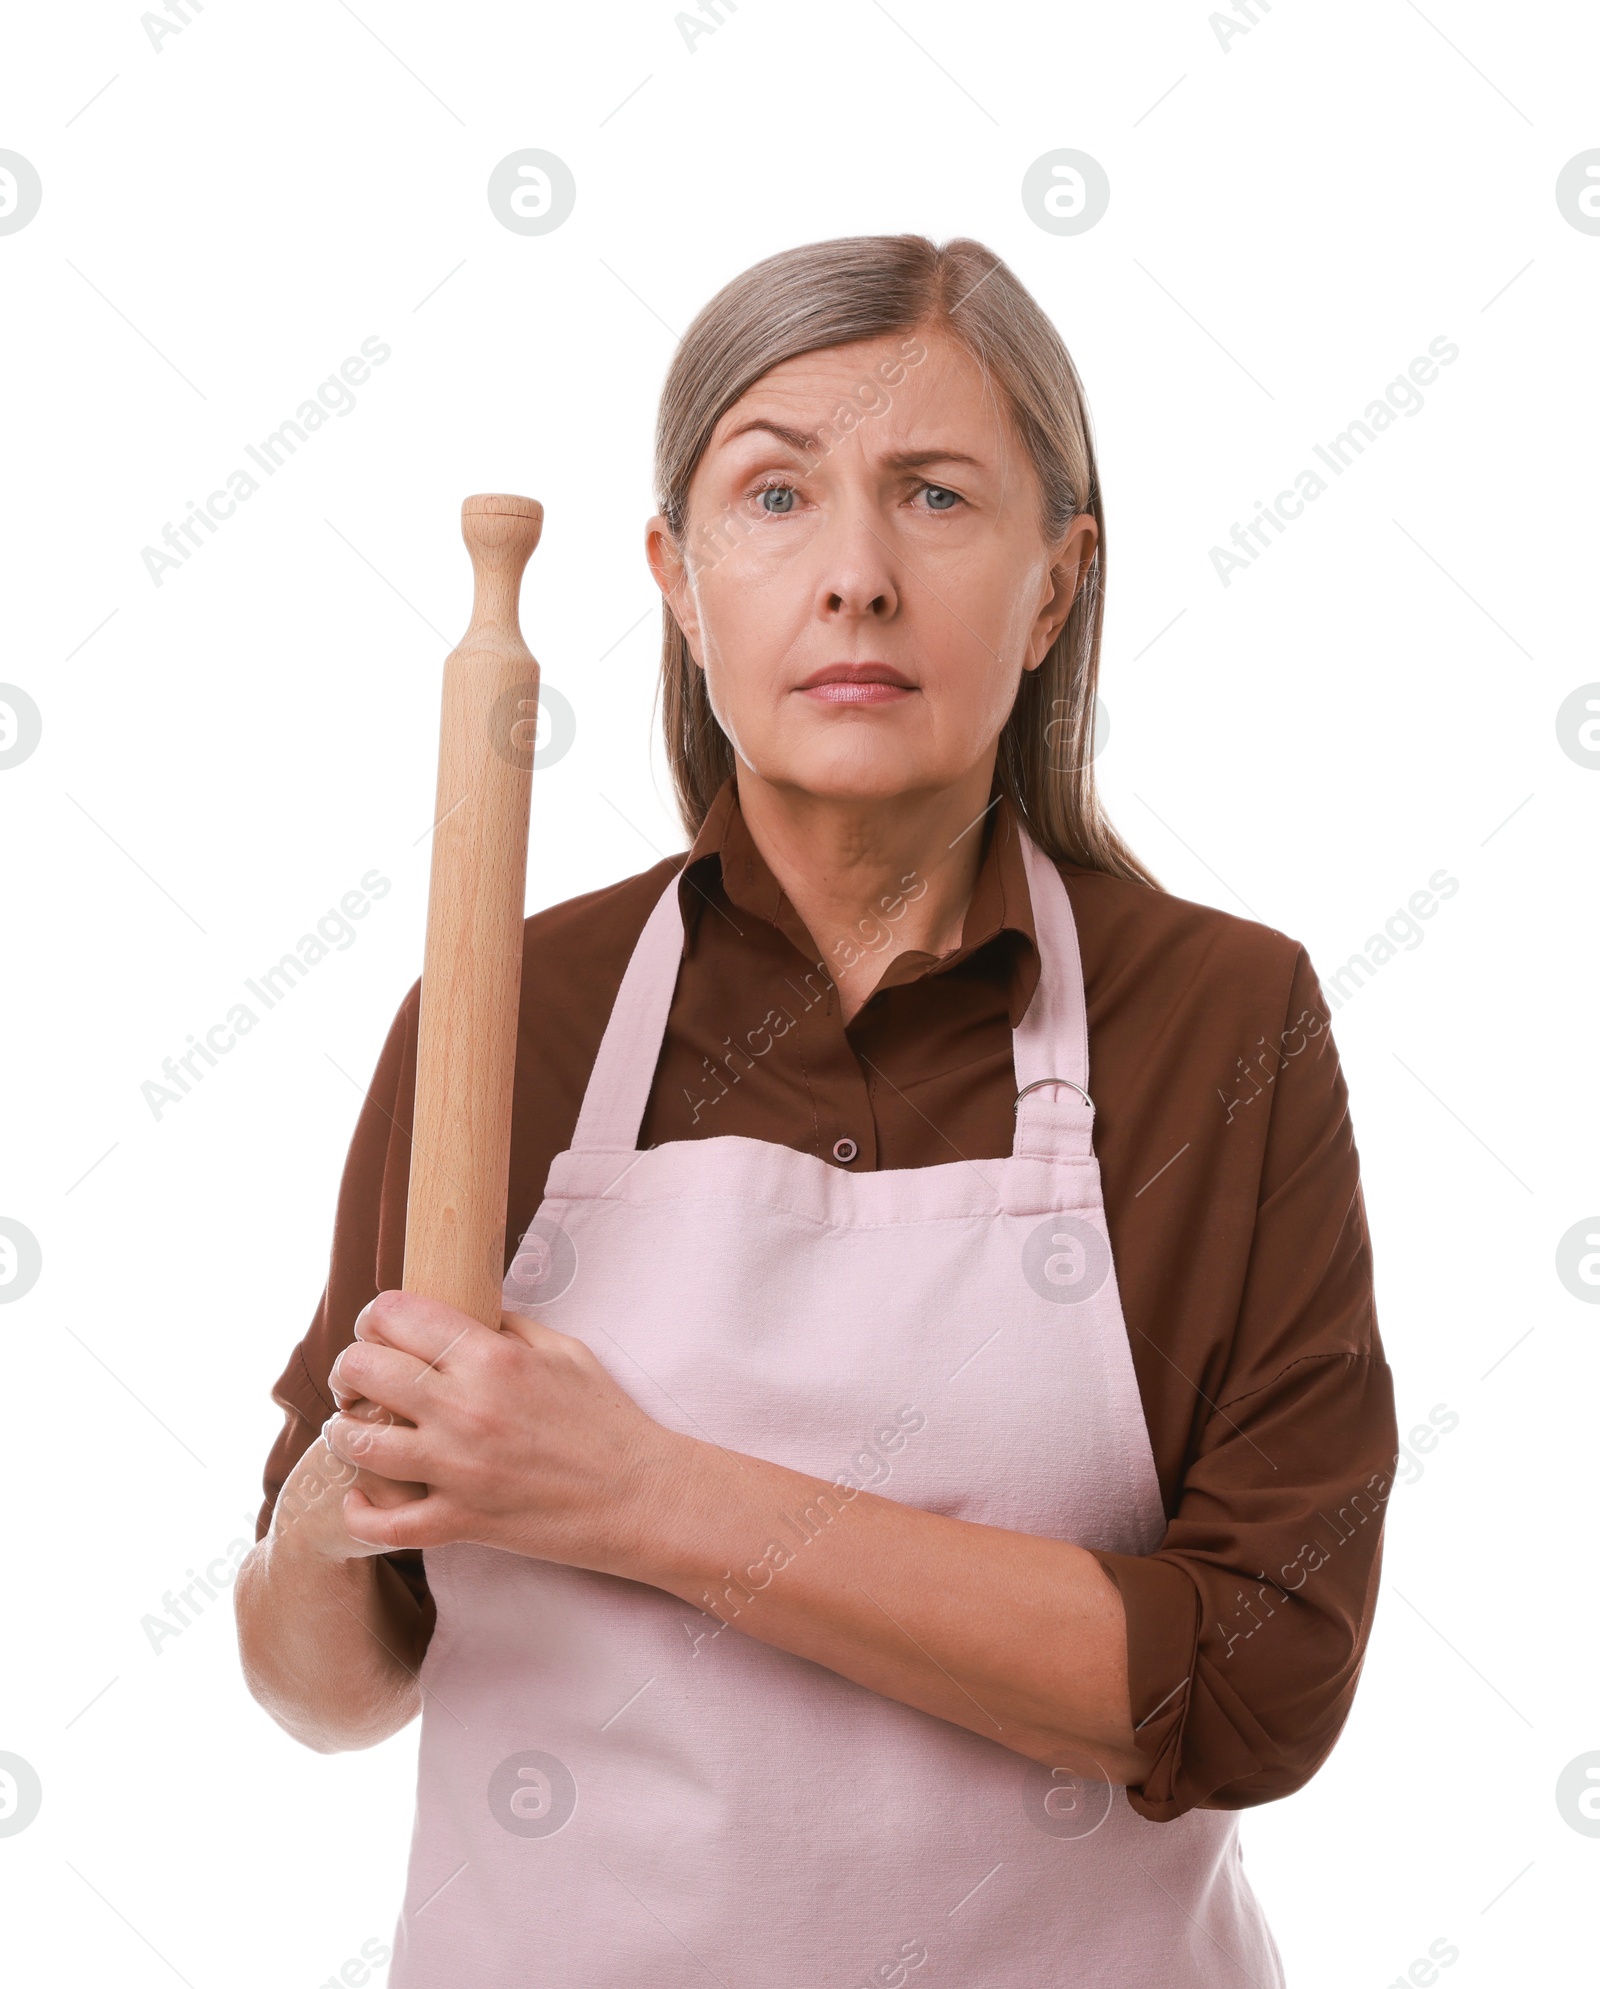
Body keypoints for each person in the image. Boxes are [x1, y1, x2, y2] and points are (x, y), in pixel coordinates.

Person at [234, 233, 1397, 1985]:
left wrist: (635, 1491)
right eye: (774, 495)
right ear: (679, 580)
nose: (853, 574)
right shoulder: (512, 1014)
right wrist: (350, 1488)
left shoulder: (1219, 1025)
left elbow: (1256, 1685)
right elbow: (330, 1680)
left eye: (934, 495)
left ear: (1057, 583)